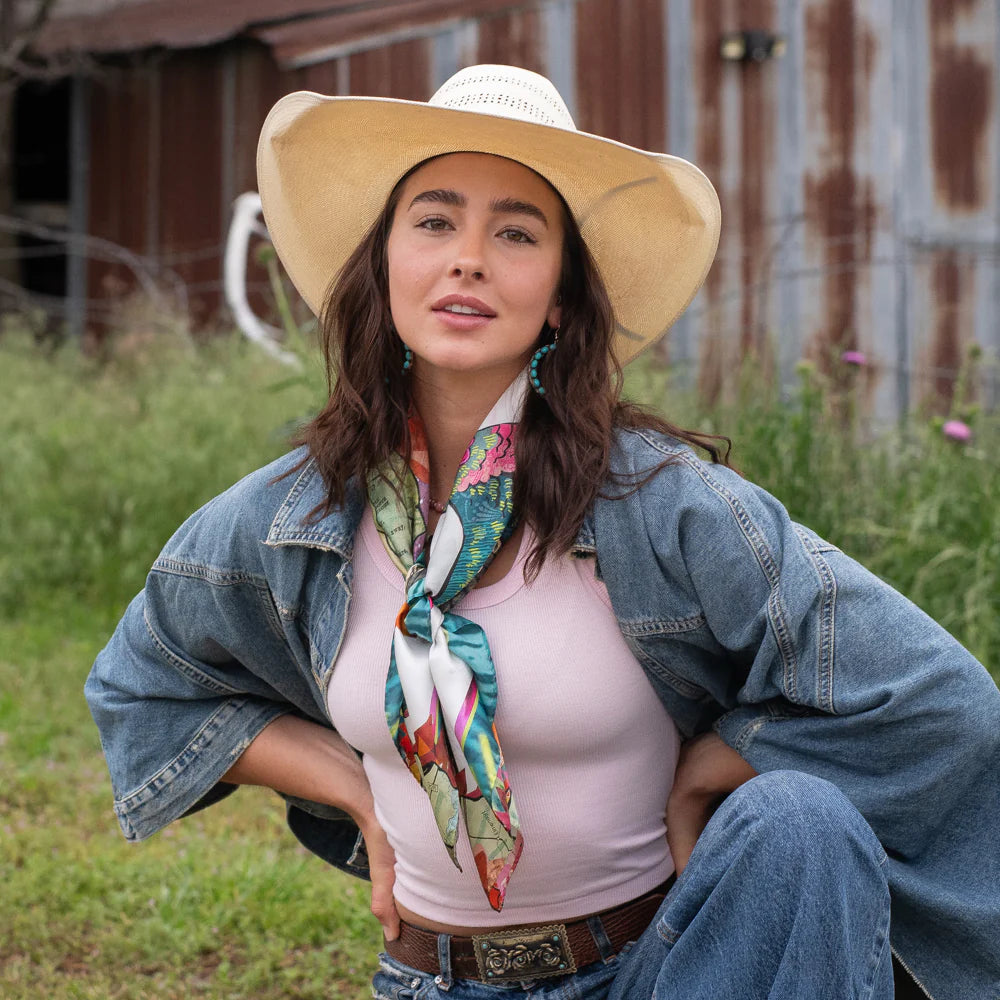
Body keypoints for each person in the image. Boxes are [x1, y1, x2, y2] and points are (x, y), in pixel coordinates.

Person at [86, 65, 999, 1000]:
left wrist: (709, 772)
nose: (468, 258)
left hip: (662, 970)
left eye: (516, 232)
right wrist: (350, 785)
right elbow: (144, 685)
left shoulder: (665, 504)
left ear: (560, 295)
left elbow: (937, 704)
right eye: (434, 222)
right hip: (433, 979)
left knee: (802, 821)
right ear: (386, 264)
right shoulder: (297, 513)